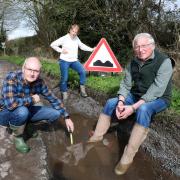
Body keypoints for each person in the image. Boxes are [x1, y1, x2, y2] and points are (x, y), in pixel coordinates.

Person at [88, 33, 174, 175]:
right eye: (137, 47)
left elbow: (157, 89)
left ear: (152, 46)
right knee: (111, 103)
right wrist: (121, 101)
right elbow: (126, 84)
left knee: (144, 109)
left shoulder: (164, 62)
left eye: (144, 46)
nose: (141, 49)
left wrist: (133, 108)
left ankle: (127, 156)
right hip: (137, 95)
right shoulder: (132, 63)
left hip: (159, 98)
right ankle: (97, 136)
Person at [0, 57, 74, 154]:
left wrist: (67, 117)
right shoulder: (12, 78)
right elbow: (11, 104)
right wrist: (32, 99)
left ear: (39, 72)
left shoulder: (39, 82)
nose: (32, 73)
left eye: (36, 71)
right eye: (29, 69)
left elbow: (53, 99)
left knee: (55, 113)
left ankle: (27, 124)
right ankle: (18, 136)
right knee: (23, 111)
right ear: (23, 68)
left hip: (25, 109)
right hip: (6, 114)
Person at [50, 24, 95, 100]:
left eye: (76, 32)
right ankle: (64, 93)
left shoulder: (76, 38)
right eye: (73, 31)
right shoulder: (64, 38)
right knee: (65, 78)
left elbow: (82, 46)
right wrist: (61, 50)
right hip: (64, 61)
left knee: (82, 71)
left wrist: (91, 49)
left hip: (74, 61)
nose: (74, 33)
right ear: (70, 30)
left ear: (77, 33)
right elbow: (53, 44)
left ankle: (82, 90)